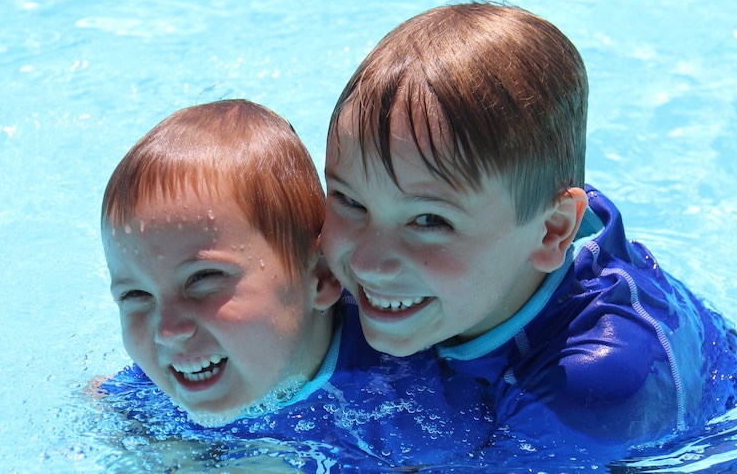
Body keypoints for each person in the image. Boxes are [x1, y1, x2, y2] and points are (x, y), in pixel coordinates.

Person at [320, 1, 737, 450]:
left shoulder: (593, 387)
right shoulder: (503, 225)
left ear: (551, 233)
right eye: (350, 200)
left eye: (429, 220)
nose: (367, 262)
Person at [98, 99, 494, 471]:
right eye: (135, 295)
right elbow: (103, 401)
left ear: (320, 277)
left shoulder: (409, 406)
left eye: (203, 279)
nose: (167, 330)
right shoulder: (158, 384)